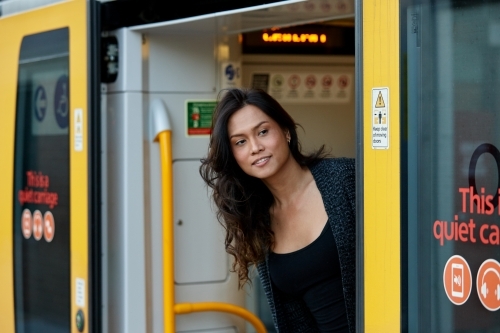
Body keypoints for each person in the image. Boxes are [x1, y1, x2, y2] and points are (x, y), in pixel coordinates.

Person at [200, 88, 356, 332]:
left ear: (285, 131)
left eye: (262, 132)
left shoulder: (346, 178)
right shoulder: (257, 221)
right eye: (240, 142)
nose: (255, 147)